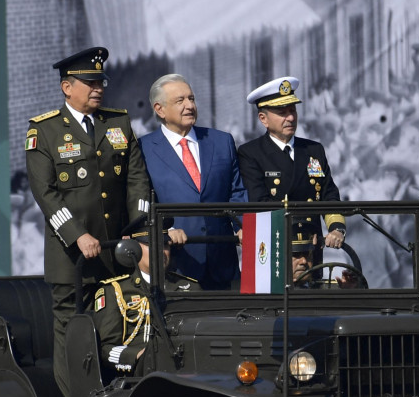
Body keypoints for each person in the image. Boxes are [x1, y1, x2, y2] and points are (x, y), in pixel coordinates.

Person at [24, 46, 151, 397]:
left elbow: (137, 181)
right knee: (74, 331)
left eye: (101, 82)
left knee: (121, 324)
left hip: (118, 251)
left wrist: (140, 233)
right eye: (90, 82)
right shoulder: (44, 130)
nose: (99, 88)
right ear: (67, 87)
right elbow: (46, 194)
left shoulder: (118, 123)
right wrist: (77, 235)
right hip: (72, 257)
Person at [139, 74, 247, 290]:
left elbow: (236, 192)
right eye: (180, 101)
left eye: (191, 99)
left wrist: (243, 227)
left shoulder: (221, 141)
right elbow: (141, 201)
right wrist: (164, 231)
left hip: (222, 262)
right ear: (160, 109)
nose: (190, 106)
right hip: (176, 265)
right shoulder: (143, 149)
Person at [237, 77, 346, 252]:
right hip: (275, 245)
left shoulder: (313, 149)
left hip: (311, 245)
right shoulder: (251, 153)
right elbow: (259, 202)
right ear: (264, 119)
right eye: (282, 112)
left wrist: (336, 229)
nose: (290, 117)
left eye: (292, 110)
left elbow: (329, 193)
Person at [91, 216, 194, 376]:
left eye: (164, 244)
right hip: (141, 376)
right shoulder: (115, 291)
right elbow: (106, 349)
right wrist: (139, 356)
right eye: (150, 244)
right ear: (133, 249)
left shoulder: (190, 287)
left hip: (188, 368)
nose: (160, 251)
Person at [289, 223, 362, 289]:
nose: (304, 261)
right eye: (296, 255)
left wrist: (348, 291)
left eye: (307, 254)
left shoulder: (328, 289)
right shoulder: (281, 293)